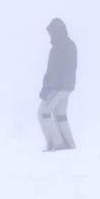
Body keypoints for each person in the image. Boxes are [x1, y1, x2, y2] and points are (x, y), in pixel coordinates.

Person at [38, 18, 78, 152]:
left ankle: (57, 143)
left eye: (51, 32)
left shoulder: (58, 48)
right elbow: (69, 69)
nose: (50, 35)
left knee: (43, 112)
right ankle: (69, 143)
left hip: (57, 87)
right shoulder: (70, 45)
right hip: (67, 86)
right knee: (60, 113)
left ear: (56, 31)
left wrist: (48, 88)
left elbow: (53, 71)